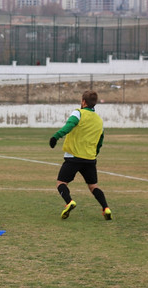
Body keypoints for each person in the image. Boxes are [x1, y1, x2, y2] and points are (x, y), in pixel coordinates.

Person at [49, 90, 112, 221]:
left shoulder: (78, 113)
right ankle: (106, 208)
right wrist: (94, 154)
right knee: (93, 186)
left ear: (83, 101)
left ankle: (69, 202)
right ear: (94, 103)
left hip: (73, 157)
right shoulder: (99, 121)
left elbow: (69, 125)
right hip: (90, 159)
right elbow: (100, 141)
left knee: (61, 183)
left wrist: (56, 136)